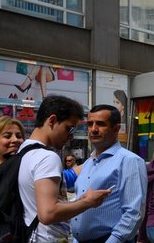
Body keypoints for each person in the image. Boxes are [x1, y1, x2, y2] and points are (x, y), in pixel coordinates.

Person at [18, 95, 110, 242]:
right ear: (52, 121)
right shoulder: (47, 157)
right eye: (69, 128)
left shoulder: (24, 151)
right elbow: (48, 213)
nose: (71, 136)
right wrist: (88, 202)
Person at [71, 104, 147, 243]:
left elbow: (133, 212)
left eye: (100, 124)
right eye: (90, 124)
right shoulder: (89, 163)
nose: (93, 129)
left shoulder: (129, 160)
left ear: (116, 128)